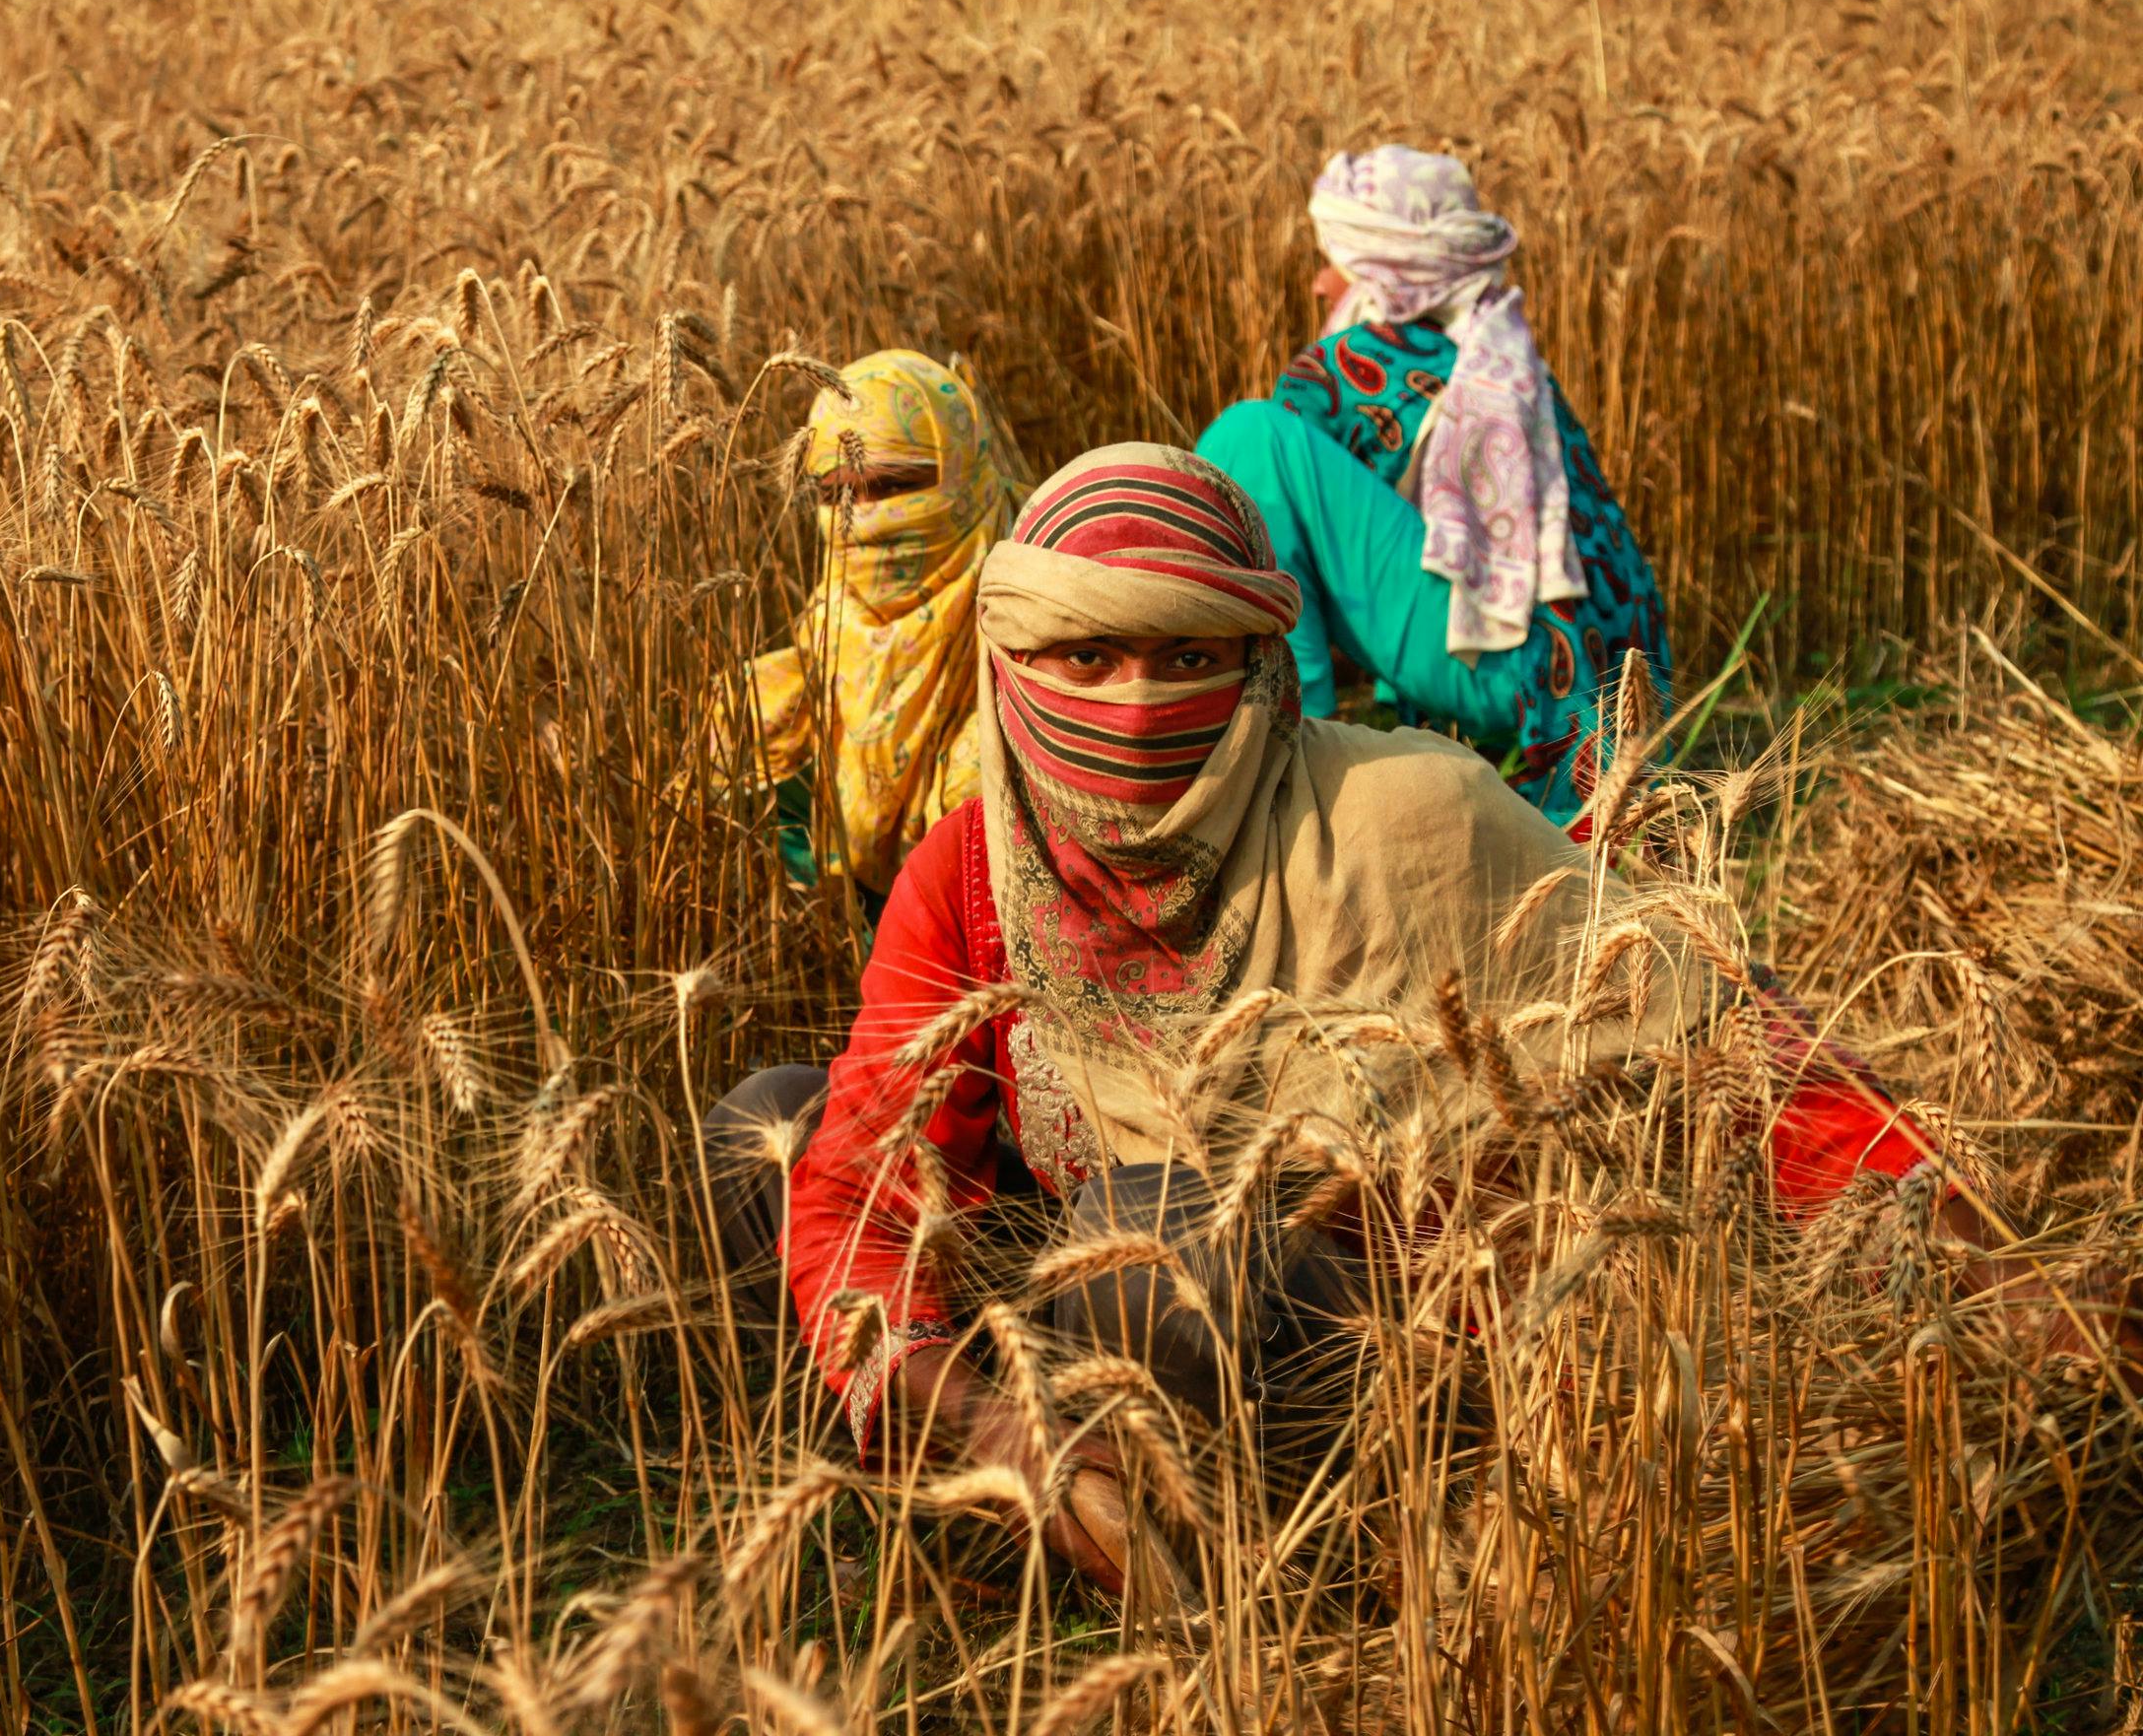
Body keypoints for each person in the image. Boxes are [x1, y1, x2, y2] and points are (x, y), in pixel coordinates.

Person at [706, 442, 2104, 1595]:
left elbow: (1716, 1037)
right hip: (1086, 1307)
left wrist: (1974, 1262)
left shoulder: (1407, 815)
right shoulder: (972, 867)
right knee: (768, 1131)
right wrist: (983, 1418)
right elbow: (867, 1180)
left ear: (1261, 660)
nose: (1133, 708)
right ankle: (1034, 1508)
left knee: (1146, 1257)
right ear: (1014, 663)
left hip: (1395, 1330)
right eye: (1085, 658)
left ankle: (1318, 1563)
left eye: (1183, 656)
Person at [1193, 148, 1668, 834]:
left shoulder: (1347, 366)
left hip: (1500, 668)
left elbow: (1262, 535)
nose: (1321, 284)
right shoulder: (1501, 360)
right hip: (1590, 689)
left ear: (1387, 274)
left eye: (1339, 262)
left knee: (1248, 440)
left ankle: (1293, 749)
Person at [745, 351, 1029, 901]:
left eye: (895, 487)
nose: (867, 518)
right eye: (839, 494)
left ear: (963, 475)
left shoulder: (1038, 614)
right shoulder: (825, 631)